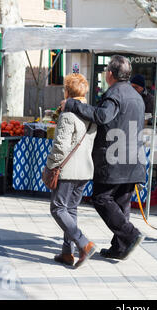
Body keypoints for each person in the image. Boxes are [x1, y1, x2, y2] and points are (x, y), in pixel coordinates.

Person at [61, 55, 146, 260]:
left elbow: (101, 116)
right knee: (121, 203)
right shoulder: (137, 96)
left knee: (101, 198)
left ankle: (130, 234)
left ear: (110, 74)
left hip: (114, 159)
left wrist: (72, 105)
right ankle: (119, 248)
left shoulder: (114, 94)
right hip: (133, 159)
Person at [46, 73, 97, 269]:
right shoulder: (90, 113)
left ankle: (84, 243)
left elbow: (60, 146)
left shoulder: (68, 115)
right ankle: (67, 253)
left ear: (67, 91)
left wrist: (51, 165)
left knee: (58, 208)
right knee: (71, 209)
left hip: (68, 170)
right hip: (85, 169)